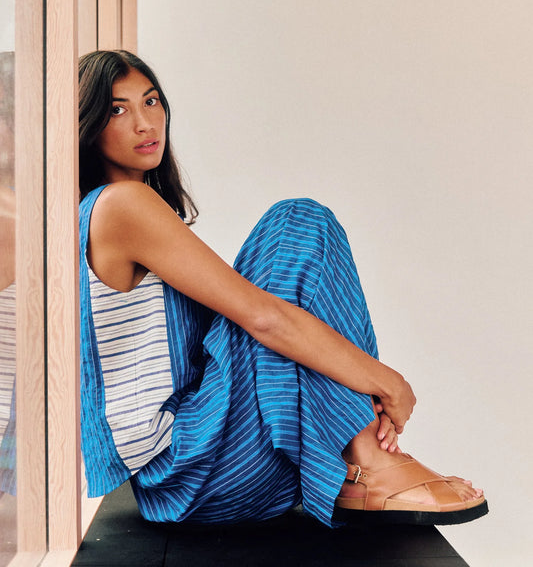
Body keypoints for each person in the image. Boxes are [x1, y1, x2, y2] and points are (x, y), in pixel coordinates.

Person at [78, 50, 487, 528]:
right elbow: (264, 319)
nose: (145, 123)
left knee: (284, 268)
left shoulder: (111, 209)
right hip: (197, 471)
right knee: (296, 222)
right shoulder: (122, 205)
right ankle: (369, 461)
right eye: (118, 110)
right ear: (89, 125)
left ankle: (362, 459)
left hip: (190, 478)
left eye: (150, 101)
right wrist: (387, 382)